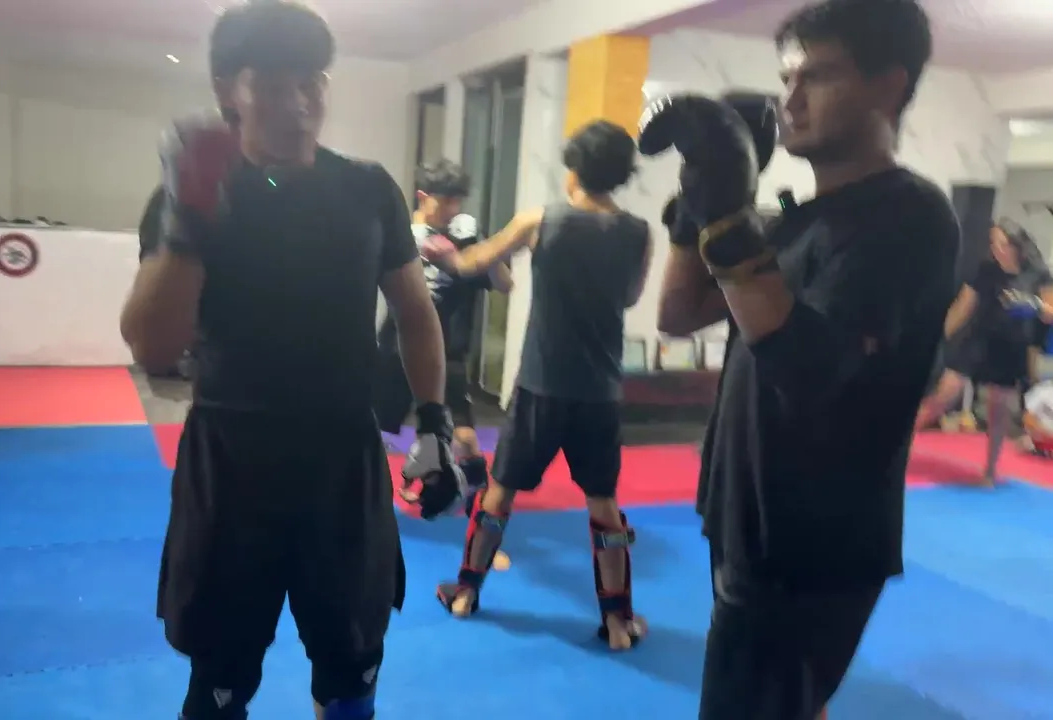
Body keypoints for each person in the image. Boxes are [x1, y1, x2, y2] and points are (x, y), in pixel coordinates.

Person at [119, 3, 461, 718]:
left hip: (342, 461)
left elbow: (414, 311)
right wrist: (192, 212)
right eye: (274, 84)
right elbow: (152, 344)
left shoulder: (367, 189)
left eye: (313, 82)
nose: (300, 103)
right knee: (218, 678)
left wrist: (433, 421)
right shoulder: (186, 199)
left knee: (353, 669)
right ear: (227, 90)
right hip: (231, 465)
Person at [644, 0, 959, 717]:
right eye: (787, 78)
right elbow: (678, 314)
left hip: (810, 541)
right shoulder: (788, 221)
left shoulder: (908, 216)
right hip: (744, 515)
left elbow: (809, 364)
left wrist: (730, 218)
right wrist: (699, 200)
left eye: (817, 76)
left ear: (888, 86)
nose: (790, 99)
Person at [421, 120, 653, 650]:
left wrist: (442, 250)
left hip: (541, 385)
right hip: (599, 390)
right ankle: (618, 621)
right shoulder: (639, 232)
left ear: (574, 171)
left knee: (500, 493)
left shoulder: (540, 219)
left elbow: (471, 263)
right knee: (603, 503)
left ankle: (466, 593)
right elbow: (630, 297)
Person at [374, 160, 512, 504]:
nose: (453, 209)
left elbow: (505, 284)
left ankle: (475, 490)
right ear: (423, 197)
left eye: (457, 201)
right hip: (397, 345)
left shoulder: (464, 237)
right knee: (377, 424)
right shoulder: (401, 237)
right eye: (446, 200)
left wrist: (483, 249)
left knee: (462, 433)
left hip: (449, 349)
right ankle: (376, 489)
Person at [916, 220, 1053, 484]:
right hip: (978, 340)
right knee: (943, 395)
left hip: (1011, 347)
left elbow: (1051, 311)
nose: (996, 248)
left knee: (998, 411)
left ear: (1017, 245)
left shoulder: (1037, 273)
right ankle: (897, 453)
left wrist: (1034, 305)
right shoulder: (987, 270)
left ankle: (989, 472)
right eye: (993, 243)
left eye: (1001, 243)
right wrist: (939, 338)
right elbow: (963, 305)